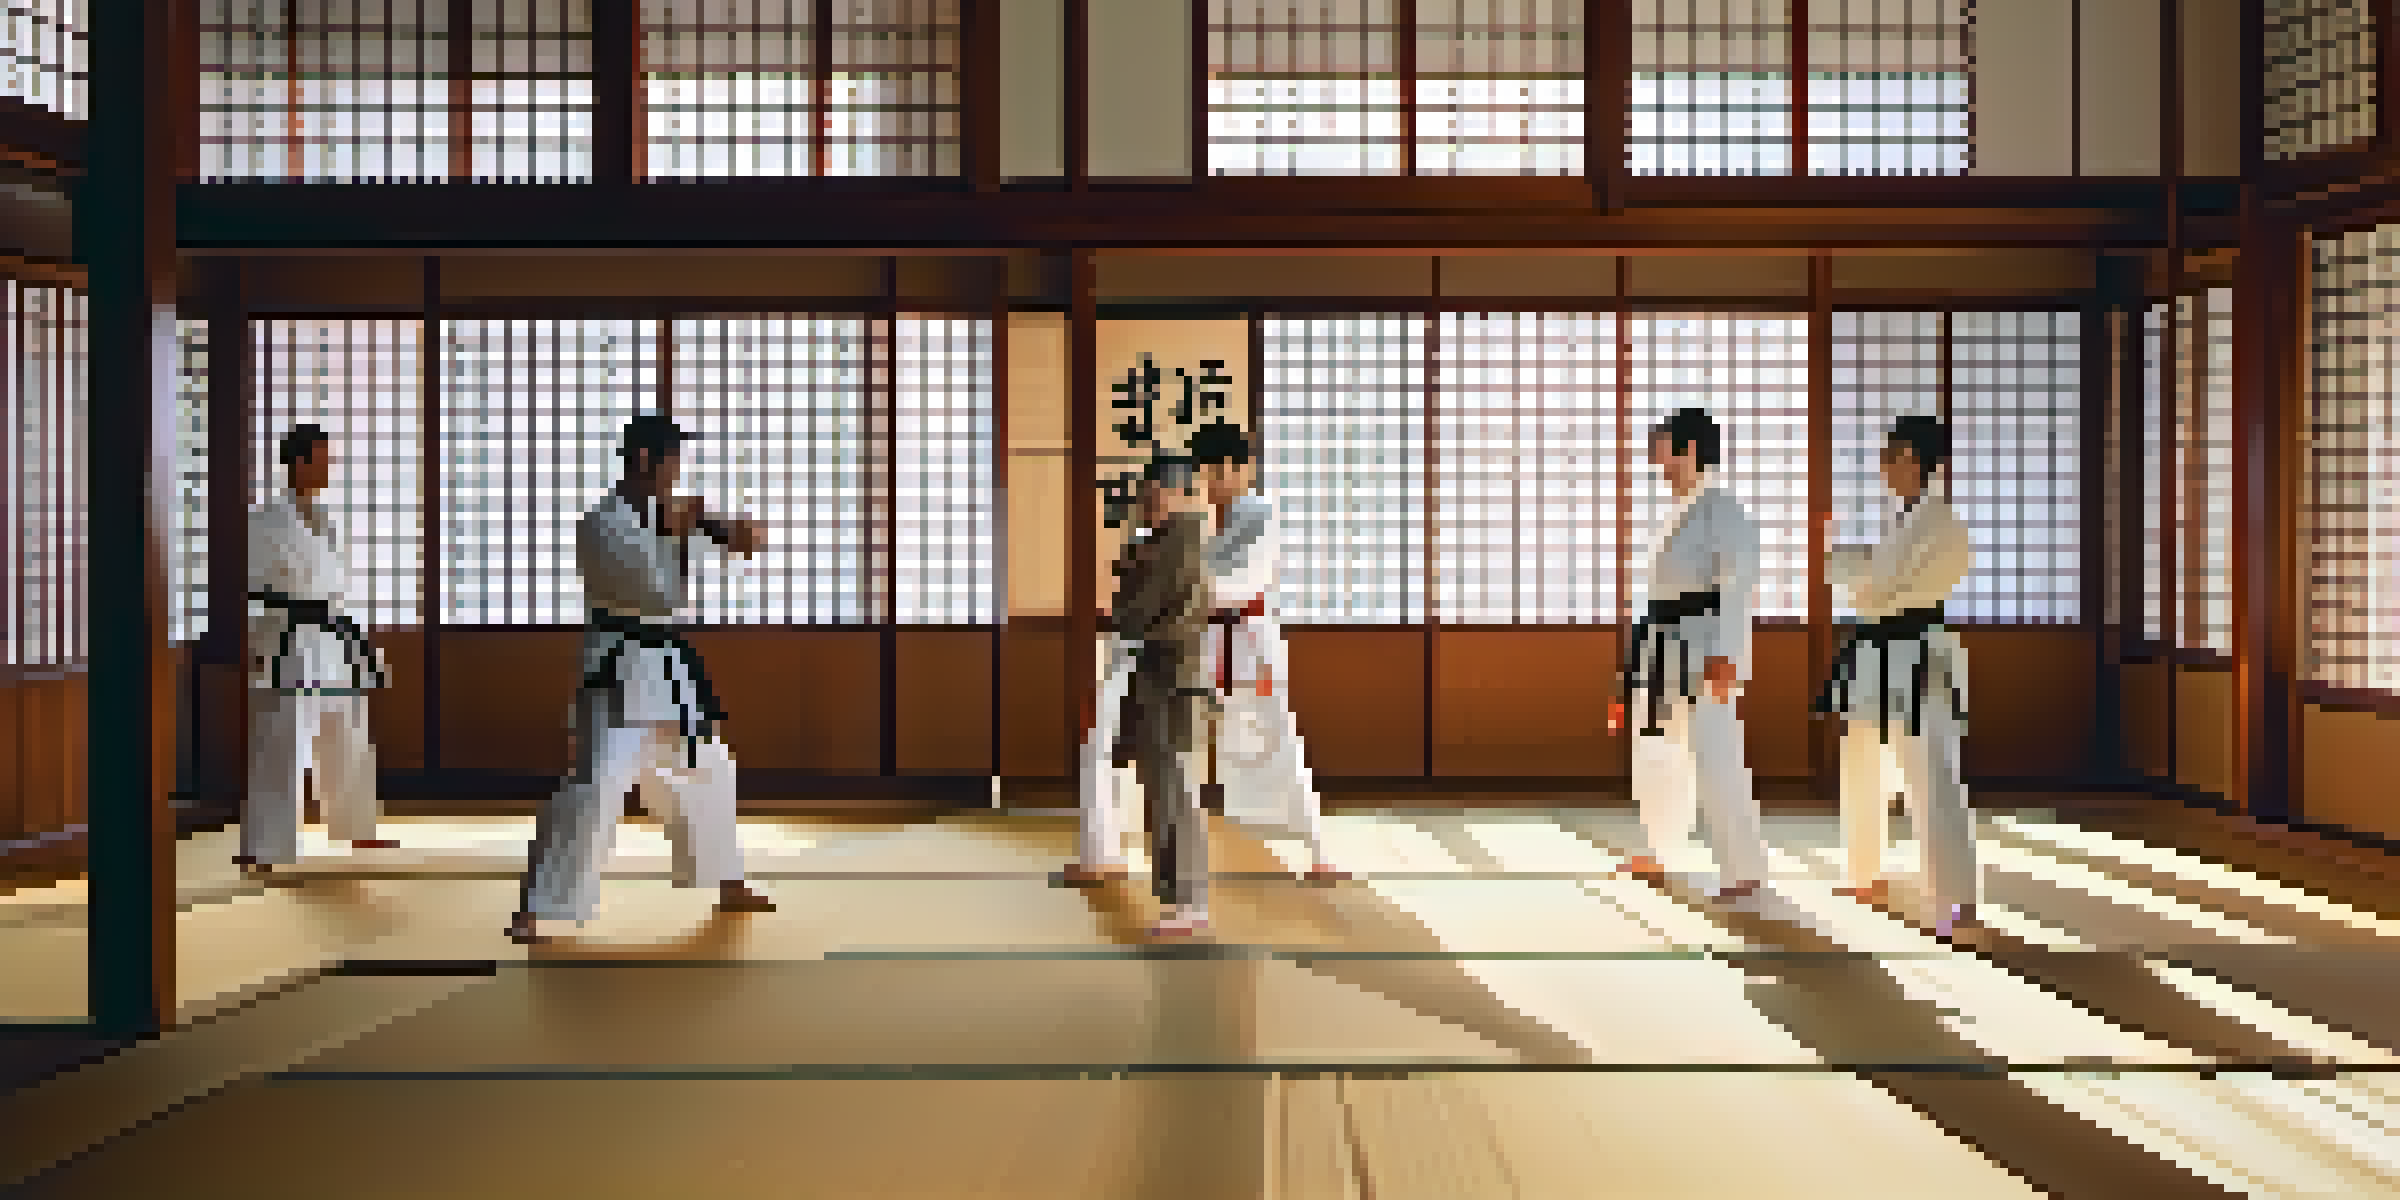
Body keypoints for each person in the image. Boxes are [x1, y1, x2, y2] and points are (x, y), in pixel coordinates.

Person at [507, 415, 776, 945]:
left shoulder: (668, 517)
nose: (679, 472)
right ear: (645, 460)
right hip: (620, 669)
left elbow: (742, 545)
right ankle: (537, 906)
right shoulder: (601, 525)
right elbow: (655, 592)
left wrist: (731, 531)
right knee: (597, 783)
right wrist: (685, 528)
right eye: (673, 460)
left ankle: (729, 880)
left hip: (668, 672)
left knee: (710, 770)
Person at [1816, 414, 1980, 939]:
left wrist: (1855, 575)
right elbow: (1872, 584)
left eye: (1890, 456)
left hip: (1920, 654)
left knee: (1930, 775)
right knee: (1861, 761)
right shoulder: (1903, 521)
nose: (1884, 467)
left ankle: (1953, 898)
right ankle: (1864, 871)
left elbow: (1886, 589)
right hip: (1876, 653)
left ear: (1913, 458)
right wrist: (1855, 572)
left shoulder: (1945, 526)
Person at [1609, 408, 1769, 902]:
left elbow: (1736, 587)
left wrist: (1728, 656)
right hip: (1662, 647)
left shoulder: (1721, 508)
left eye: (1663, 449)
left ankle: (1743, 868)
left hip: (1703, 648)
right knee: (1657, 752)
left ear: (1690, 450)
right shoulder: (1677, 509)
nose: (1657, 461)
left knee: (1715, 754)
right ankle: (1661, 850)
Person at [239, 424, 398, 877]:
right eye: (324, 458)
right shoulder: (264, 521)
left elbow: (336, 588)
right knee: (284, 736)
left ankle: (355, 824)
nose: (330, 466)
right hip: (289, 636)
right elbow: (248, 589)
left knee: (347, 729)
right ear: (299, 462)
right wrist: (258, 641)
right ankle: (266, 843)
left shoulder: (325, 518)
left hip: (332, 634)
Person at [1189, 420, 1344, 881]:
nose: (1211, 482)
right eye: (1205, 472)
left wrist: (1186, 588)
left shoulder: (1258, 514)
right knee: (1200, 742)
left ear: (1243, 468)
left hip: (1248, 641)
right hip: (1217, 639)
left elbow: (1238, 584)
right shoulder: (1222, 519)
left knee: (1276, 740)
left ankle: (1318, 851)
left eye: (1219, 471)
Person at [1110, 460, 1218, 938]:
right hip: (1165, 675)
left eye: (1152, 496)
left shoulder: (1181, 539)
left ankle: (1189, 902)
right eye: (1143, 497)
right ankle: (1179, 899)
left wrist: (1131, 566)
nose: (1145, 506)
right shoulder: (1175, 539)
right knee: (1166, 791)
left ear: (1174, 493)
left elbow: (1132, 614)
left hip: (1172, 677)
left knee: (1174, 792)